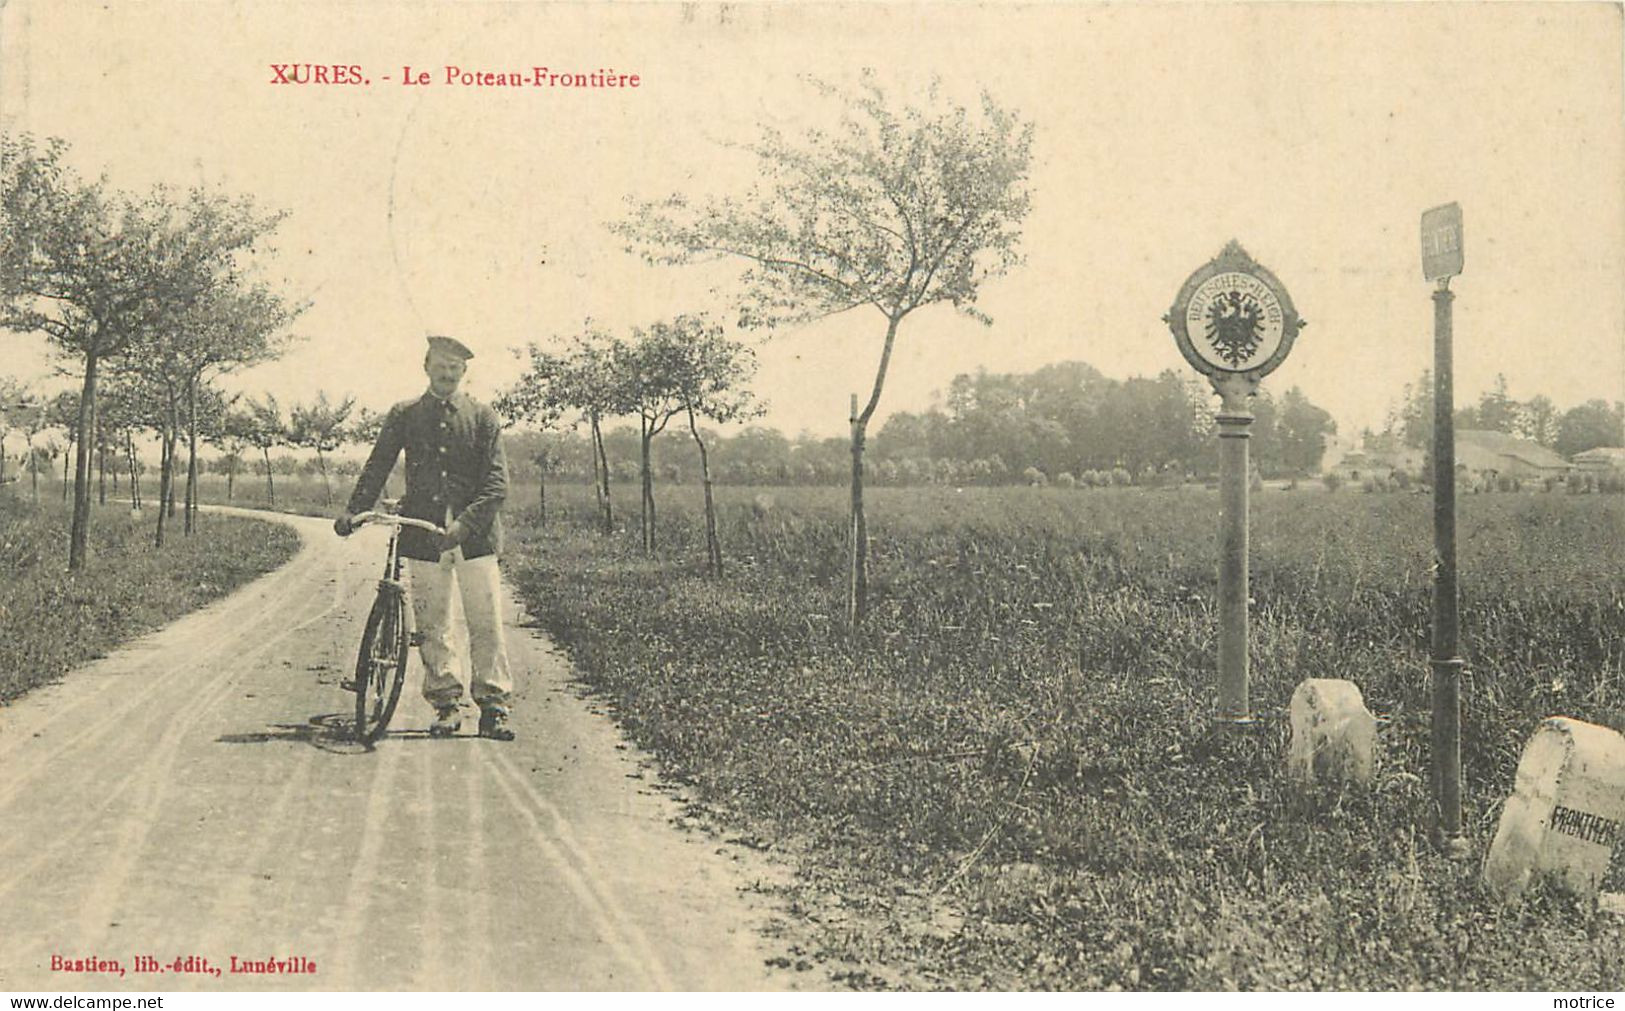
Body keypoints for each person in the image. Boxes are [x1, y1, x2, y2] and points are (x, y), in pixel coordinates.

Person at [334, 335, 516, 740]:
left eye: (455, 367)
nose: (447, 373)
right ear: (426, 366)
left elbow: (496, 483)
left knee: (485, 622)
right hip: (423, 533)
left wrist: (465, 525)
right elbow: (379, 463)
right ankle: (446, 704)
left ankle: (494, 707)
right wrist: (353, 509)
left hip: (476, 539)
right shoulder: (405, 414)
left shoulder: (483, 417)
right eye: (440, 364)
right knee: (434, 624)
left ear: (464, 372)